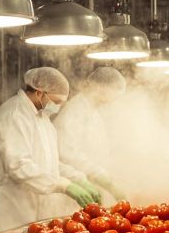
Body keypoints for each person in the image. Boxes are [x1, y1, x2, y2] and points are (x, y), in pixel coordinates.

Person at [0, 67, 102, 233]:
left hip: (33, 207)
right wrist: (64, 185)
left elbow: (50, 163)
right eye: (57, 101)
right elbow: (19, 166)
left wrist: (79, 179)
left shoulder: (42, 119)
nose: (58, 107)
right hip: (10, 207)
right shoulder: (15, 114)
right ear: (40, 93)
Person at [54, 67, 129, 207]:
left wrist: (108, 176)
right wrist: (101, 176)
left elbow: (97, 150)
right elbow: (67, 154)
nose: (114, 100)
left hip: (90, 186)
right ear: (101, 87)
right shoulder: (75, 110)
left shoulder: (94, 112)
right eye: (115, 93)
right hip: (75, 188)